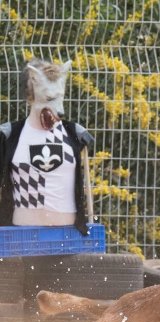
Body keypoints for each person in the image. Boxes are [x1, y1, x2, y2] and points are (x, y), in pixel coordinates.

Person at [0, 58, 94, 235]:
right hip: (20, 235)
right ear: (32, 91)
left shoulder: (76, 134)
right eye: (49, 98)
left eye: (59, 97)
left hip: (69, 234)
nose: (58, 110)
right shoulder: (9, 135)